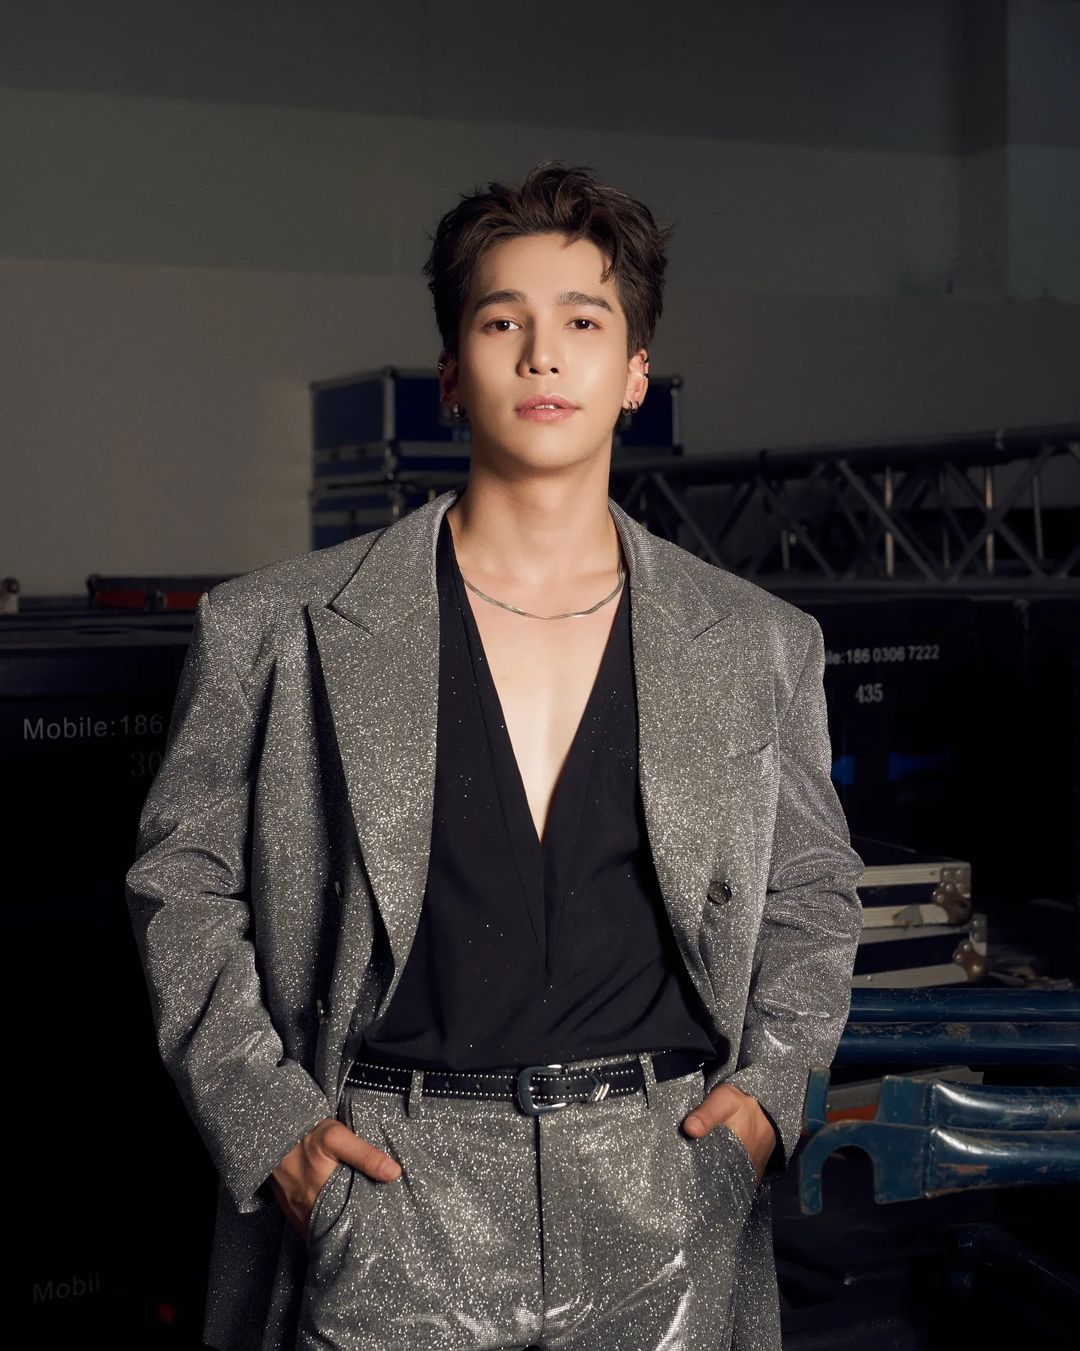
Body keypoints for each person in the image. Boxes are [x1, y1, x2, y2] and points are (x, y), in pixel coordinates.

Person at [125, 159, 864, 1351]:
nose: (542, 355)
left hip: (665, 1185)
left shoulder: (759, 643)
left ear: (635, 376)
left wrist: (763, 1110)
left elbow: (814, 893)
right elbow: (182, 881)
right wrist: (273, 1129)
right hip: (389, 1192)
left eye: (585, 322)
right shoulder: (273, 629)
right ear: (451, 378)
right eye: (502, 321)